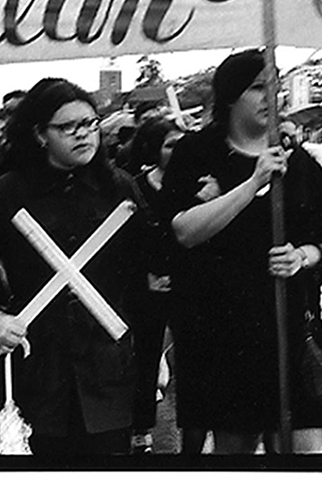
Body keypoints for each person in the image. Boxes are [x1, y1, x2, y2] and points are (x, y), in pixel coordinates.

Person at [0, 78, 150, 456]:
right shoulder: (11, 189)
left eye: (89, 123)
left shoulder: (120, 187)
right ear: (40, 134)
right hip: (37, 363)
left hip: (106, 367)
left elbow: (146, 269)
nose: (83, 135)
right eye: (68, 127)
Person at [160, 49, 322, 454]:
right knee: (236, 447)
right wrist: (252, 182)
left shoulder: (297, 161)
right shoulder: (197, 152)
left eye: (275, 87)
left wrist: (305, 255)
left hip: (291, 326)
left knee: (302, 446)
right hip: (225, 329)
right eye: (259, 87)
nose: (270, 97)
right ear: (230, 96)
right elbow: (183, 231)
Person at [125, 114, 185, 454]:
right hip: (148, 287)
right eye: (170, 145)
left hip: (187, 283)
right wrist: (145, 273)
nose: (177, 152)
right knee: (146, 356)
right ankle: (142, 429)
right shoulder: (136, 185)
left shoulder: (197, 185)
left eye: (181, 144)